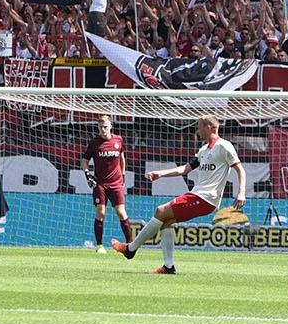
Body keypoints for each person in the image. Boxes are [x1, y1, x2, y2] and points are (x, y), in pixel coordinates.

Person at [112, 115, 246, 276]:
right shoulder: (203, 150)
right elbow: (185, 169)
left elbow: (240, 169)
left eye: (199, 127)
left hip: (206, 197)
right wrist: (161, 173)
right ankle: (168, 267)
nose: (197, 131)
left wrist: (241, 192)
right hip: (198, 195)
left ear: (209, 127)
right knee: (166, 222)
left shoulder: (225, 146)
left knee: (160, 211)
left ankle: (130, 249)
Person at [79, 113, 131, 254]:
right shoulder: (94, 143)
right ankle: (100, 246)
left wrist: (123, 174)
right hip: (100, 184)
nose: (103, 130)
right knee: (100, 212)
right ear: (98, 127)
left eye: (106, 127)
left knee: (121, 212)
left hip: (116, 183)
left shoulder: (118, 140)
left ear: (111, 127)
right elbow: (84, 160)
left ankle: (131, 245)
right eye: (101, 127)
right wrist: (87, 174)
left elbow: (122, 158)